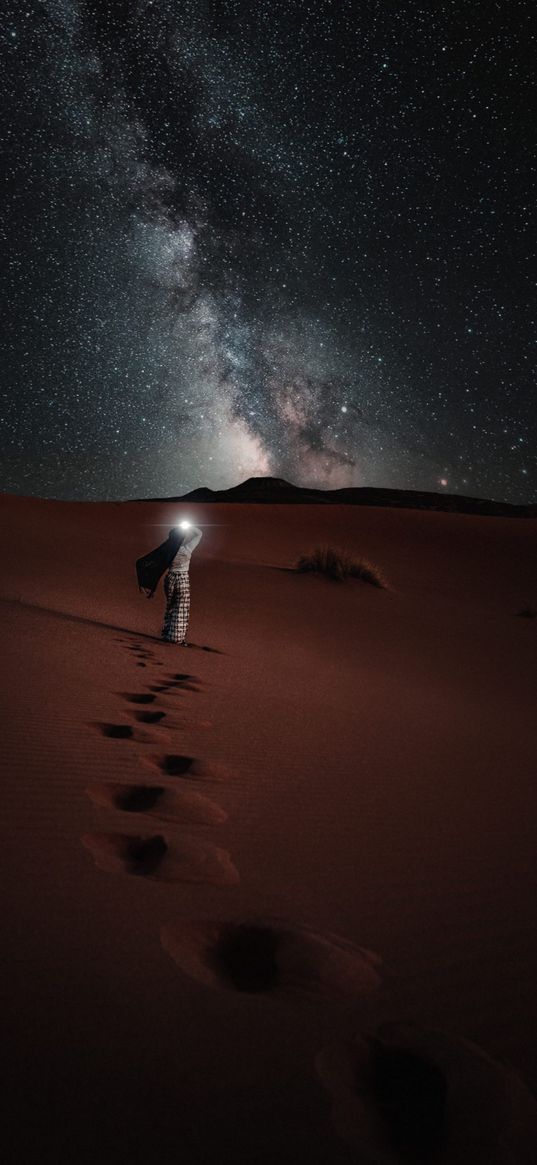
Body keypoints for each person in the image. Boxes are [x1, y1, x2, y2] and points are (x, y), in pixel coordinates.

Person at [160, 523, 203, 646]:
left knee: (171, 606)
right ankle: (177, 638)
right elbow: (199, 533)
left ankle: (167, 634)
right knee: (181, 608)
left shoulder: (167, 551)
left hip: (170, 579)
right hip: (182, 578)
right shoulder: (186, 549)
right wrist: (188, 525)